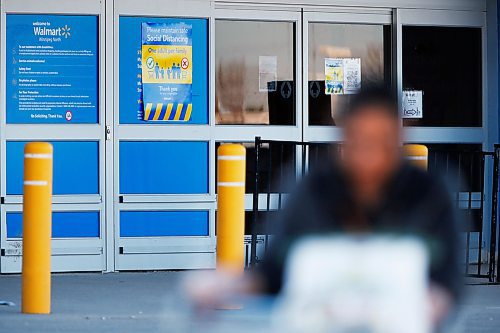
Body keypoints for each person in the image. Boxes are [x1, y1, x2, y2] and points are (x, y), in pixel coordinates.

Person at [187, 86, 461, 327]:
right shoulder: (312, 190)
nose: (369, 157)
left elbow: (446, 285)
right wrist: (226, 285)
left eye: (381, 142)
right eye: (359, 140)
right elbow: (274, 273)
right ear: (345, 135)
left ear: (400, 136)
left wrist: (426, 305)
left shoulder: (429, 196)